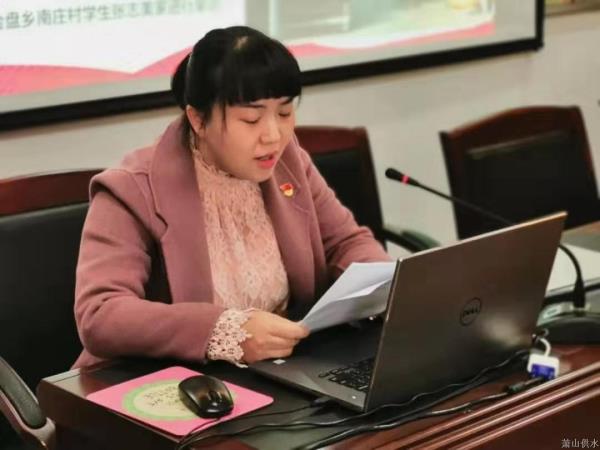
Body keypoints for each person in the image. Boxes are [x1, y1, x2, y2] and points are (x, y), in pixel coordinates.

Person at [73, 26, 390, 369]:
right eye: (251, 119)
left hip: (276, 371)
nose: (274, 135)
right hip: (163, 381)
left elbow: (346, 242)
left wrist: (388, 286)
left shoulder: (288, 162)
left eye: (284, 113)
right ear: (198, 119)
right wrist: (225, 331)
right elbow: (100, 313)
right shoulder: (133, 188)